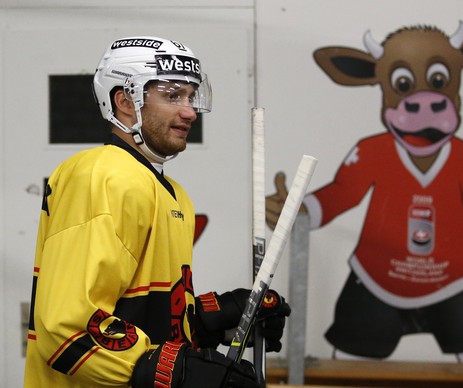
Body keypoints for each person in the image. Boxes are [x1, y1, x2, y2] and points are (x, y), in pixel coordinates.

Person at [24, 36, 290, 388]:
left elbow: (142, 314)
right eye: (172, 95)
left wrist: (215, 319)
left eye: (191, 96)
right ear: (125, 101)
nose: (190, 111)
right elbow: (67, 328)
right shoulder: (103, 175)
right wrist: (177, 371)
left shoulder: (172, 193)